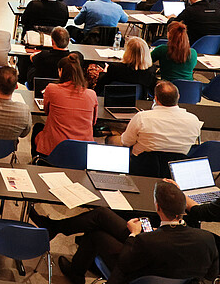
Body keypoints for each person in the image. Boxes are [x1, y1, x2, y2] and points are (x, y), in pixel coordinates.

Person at [29, 181, 218, 284]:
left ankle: (75, 271)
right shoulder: (207, 238)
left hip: (138, 274)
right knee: (102, 215)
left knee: (96, 234)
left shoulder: (145, 241)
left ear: (157, 207)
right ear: (184, 209)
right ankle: (55, 230)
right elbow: (211, 275)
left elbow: (125, 263)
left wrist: (134, 234)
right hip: (163, 263)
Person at [115, 81, 203, 168]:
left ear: (156, 99)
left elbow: (126, 142)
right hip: (175, 168)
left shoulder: (142, 117)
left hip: (141, 166)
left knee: (112, 139)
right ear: (178, 97)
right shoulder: (194, 120)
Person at [32, 54, 97, 157]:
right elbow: (93, 122)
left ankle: (37, 161)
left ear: (61, 71)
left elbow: (47, 111)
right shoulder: (92, 94)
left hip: (55, 148)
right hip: (82, 151)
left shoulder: (51, 89)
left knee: (37, 128)